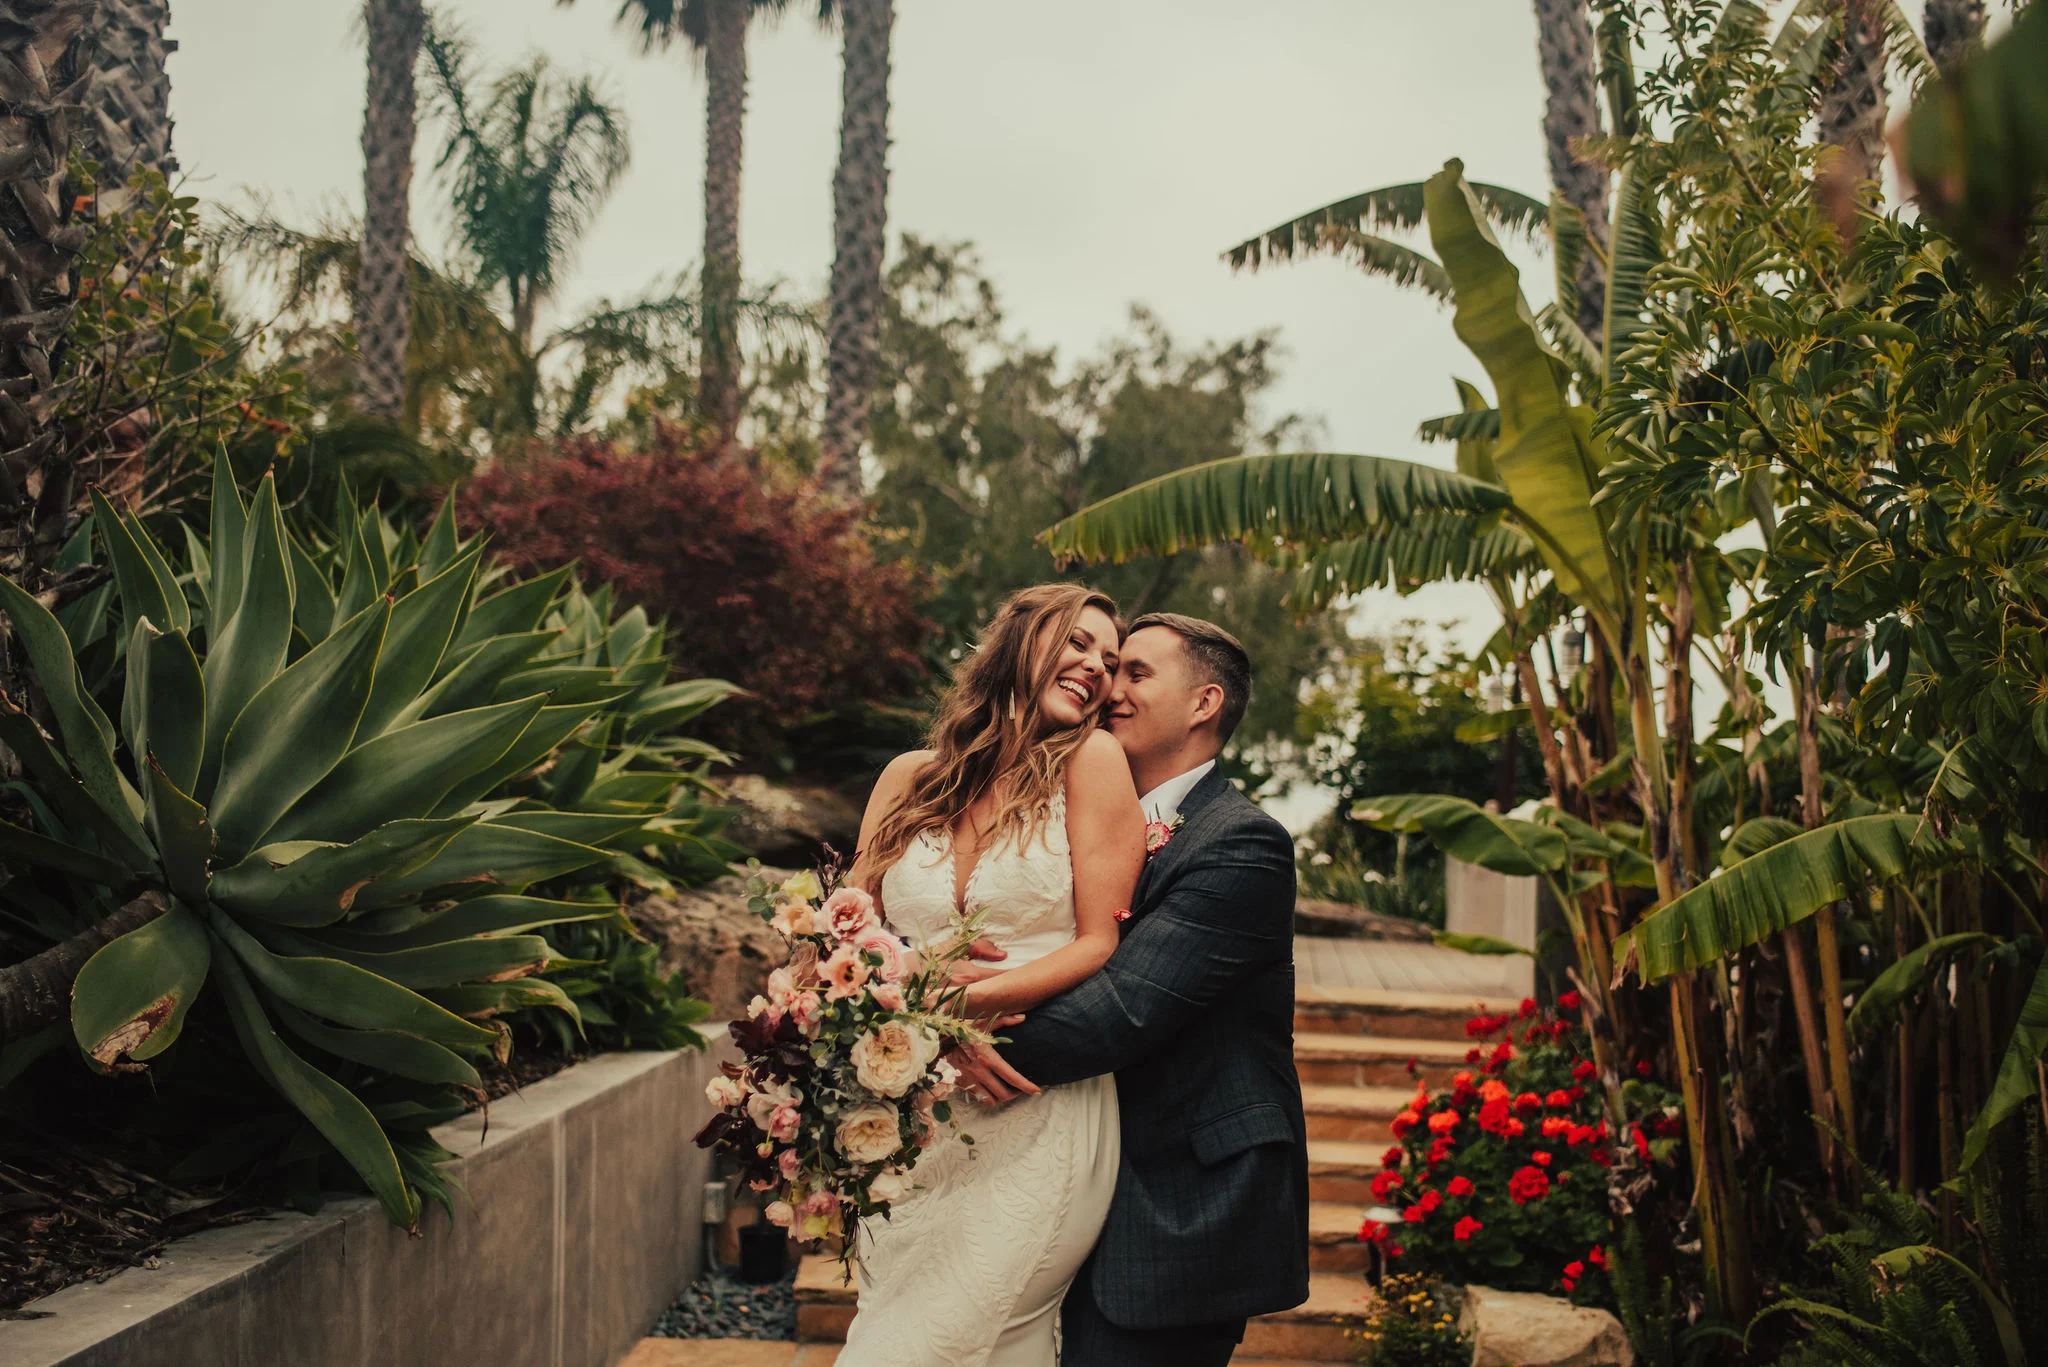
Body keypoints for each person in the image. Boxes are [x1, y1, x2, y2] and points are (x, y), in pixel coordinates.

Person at [950, 611, 1311, 1367]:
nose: (1109, 688)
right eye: (1112, 669)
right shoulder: (1067, 813)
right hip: (1052, 1172)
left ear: (1205, 703)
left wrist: (929, 1039)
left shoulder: (1242, 842)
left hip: (1177, 1197)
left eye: (1136, 672)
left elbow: (1118, 1012)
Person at [836, 583, 1146, 1367]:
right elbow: (848, 934)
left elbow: (1096, 943)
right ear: (1020, 640)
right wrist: (922, 1027)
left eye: (1110, 660)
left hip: (1031, 1104)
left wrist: (952, 1007)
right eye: (1078, 642)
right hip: (913, 1113)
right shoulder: (909, 777)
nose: (1097, 667)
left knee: (965, 1332)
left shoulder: (1093, 760)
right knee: (900, 1321)